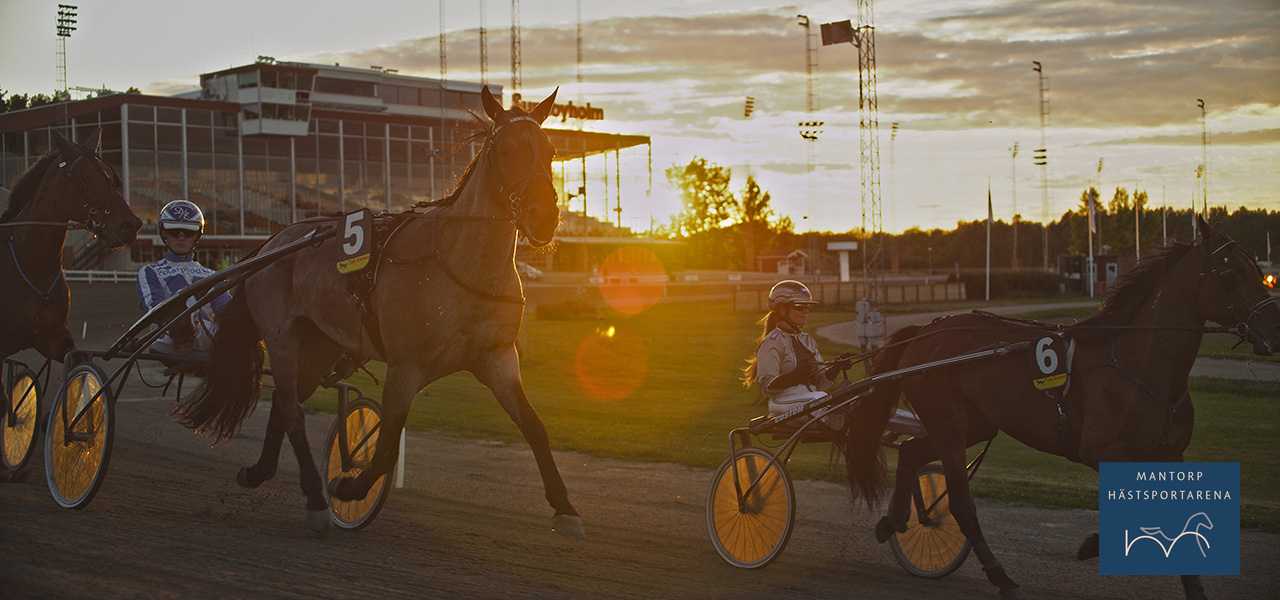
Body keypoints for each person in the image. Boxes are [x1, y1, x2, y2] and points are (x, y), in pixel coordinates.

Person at [743, 280, 853, 428]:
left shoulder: (807, 340)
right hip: (782, 402)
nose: (805, 311)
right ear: (782, 309)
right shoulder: (771, 342)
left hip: (811, 398)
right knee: (820, 399)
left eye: (806, 307)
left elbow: (821, 383)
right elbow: (767, 388)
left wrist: (836, 367)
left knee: (835, 398)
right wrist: (795, 377)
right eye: (799, 307)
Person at [136, 200, 229, 355]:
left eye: (188, 232)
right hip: (169, 337)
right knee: (176, 310)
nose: (181, 238)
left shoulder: (211, 275)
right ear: (164, 233)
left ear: (197, 235)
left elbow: (225, 309)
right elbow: (155, 310)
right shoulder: (150, 272)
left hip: (206, 337)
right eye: (174, 231)